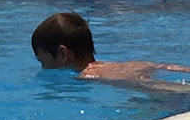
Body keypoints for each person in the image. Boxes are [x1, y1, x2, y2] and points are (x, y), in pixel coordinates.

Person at [32, 12, 190, 83]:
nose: (43, 67)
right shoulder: (119, 65)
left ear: (62, 53)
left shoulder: (90, 76)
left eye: (42, 61)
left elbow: (156, 87)